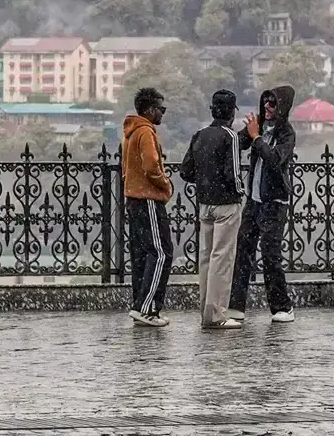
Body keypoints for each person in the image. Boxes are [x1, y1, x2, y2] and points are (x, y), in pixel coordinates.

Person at [180, 89, 248, 330]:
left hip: (204, 203)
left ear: (212, 110)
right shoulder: (229, 137)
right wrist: (241, 191)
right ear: (231, 113)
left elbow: (185, 171)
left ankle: (205, 312)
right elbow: (234, 175)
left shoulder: (200, 135)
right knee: (222, 259)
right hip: (226, 204)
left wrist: (205, 179)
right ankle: (217, 314)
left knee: (206, 258)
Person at [228, 85, 297, 324]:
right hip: (254, 201)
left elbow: (274, 159)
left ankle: (282, 306)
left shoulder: (286, 133)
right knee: (243, 252)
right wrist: (247, 132)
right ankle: (236, 306)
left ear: (283, 107)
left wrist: (257, 137)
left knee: (270, 255)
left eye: (273, 103)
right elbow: (238, 144)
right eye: (265, 102)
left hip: (274, 203)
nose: (267, 107)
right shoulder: (258, 126)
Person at [123, 87, 175, 327]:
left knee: (142, 255)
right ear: (150, 109)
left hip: (133, 198)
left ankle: (142, 306)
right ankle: (146, 307)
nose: (163, 114)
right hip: (148, 198)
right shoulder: (145, 131)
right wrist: (165, 185)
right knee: (161, 252)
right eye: (161, 109)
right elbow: (152, 165)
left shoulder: (131, 131)